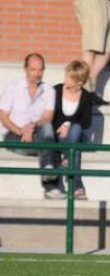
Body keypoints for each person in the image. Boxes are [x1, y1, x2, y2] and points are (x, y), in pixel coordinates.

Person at [0, 53, 65, 200]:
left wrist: (31, 127)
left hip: (37, 134)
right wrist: (20, 131)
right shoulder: (14, 87)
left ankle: (48, 174)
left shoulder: (49, 91)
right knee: (52, 148)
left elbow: (47, 117)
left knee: (47, 129)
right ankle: (51, 188)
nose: (37, 73)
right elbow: (3, 116)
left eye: (40, 70)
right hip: (13, 136)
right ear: (25, 69)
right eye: (33, 69)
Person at [52, 60, 94, 200]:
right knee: (74, 152)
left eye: (69, 77)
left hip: (77, 135)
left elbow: (86, 122)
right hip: (58, 134)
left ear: (79, 82)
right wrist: (59, 126)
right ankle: (77, 188)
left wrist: (68, 124)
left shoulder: (86, 97)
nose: (65, 80)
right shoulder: (56, 90)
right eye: (66, 75)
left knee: (76, 128)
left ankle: (66, 158)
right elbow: (50, 114)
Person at [74, 0, 110, 106]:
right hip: (92, 3)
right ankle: (85, 91)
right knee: (92, 45)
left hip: (106, 3)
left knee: (109, 47)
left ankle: (90, 90)